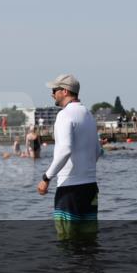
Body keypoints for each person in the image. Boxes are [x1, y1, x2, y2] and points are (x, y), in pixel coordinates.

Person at [37, 74, 99, 237]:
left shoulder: (65, 115)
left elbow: (65, 150)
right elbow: (98, 151)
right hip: (90, 187)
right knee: (89, 242)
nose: (52, 94)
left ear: (64, 91)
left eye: (54, 90)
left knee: (68, 242)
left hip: (69, 189)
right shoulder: (88, 115)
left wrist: (46, 178)